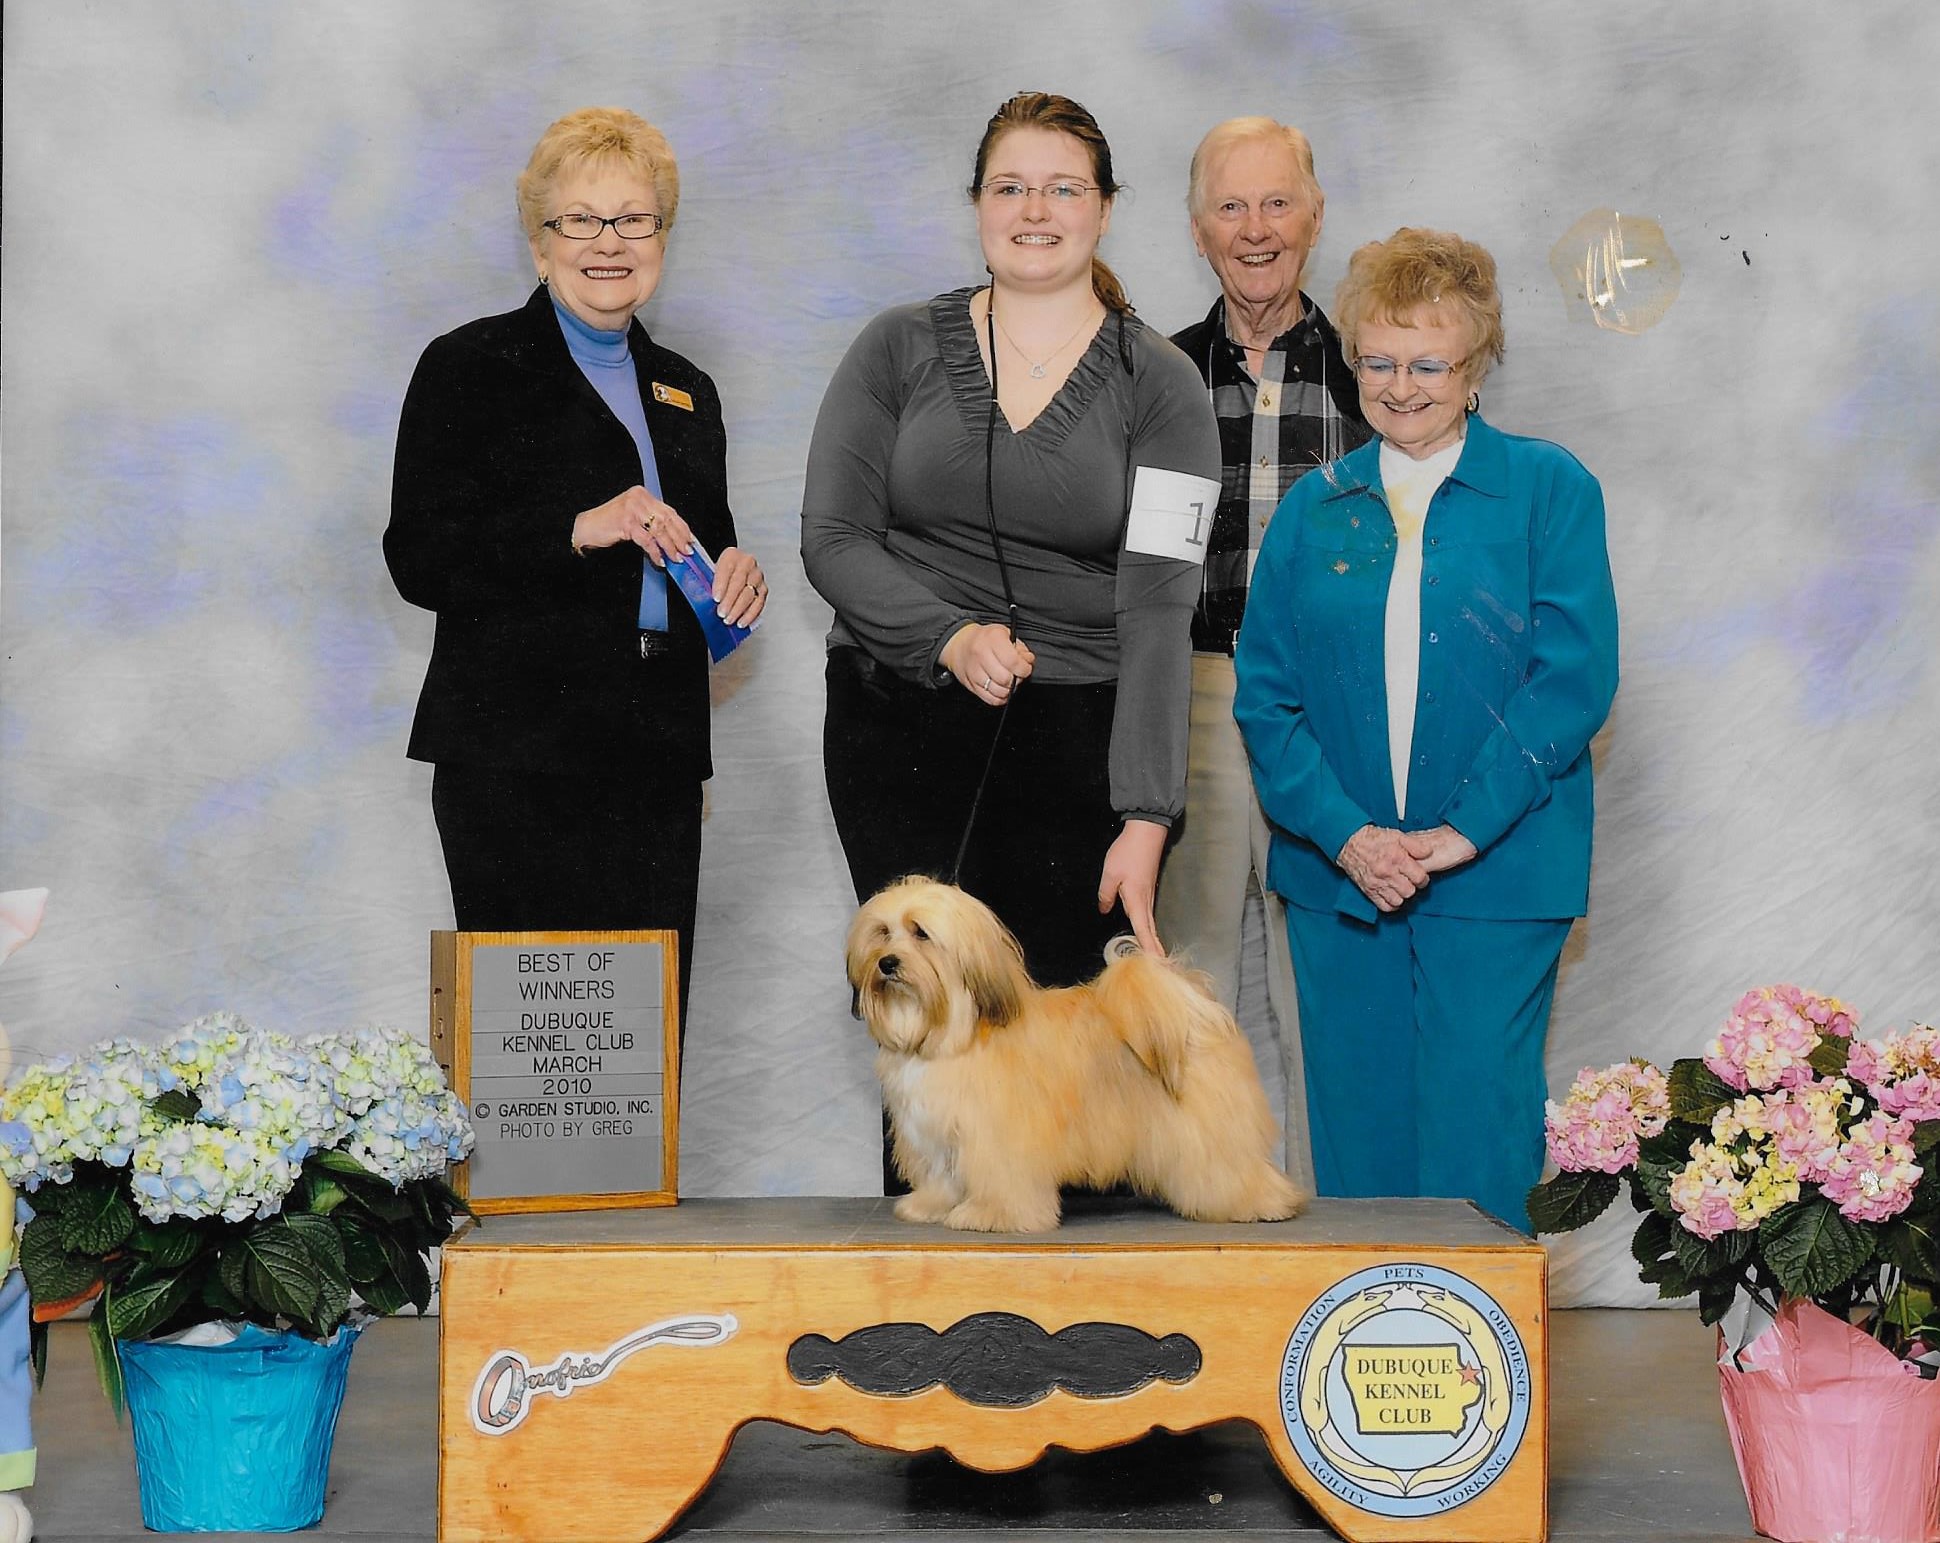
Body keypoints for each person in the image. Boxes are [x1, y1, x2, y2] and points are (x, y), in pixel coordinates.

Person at [802, 92, 1219, 1183]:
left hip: (1080, 739)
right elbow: (832, 538)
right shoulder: (894, 348)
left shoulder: (1160, 383)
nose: (1034, 209)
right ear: (977, 205)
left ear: (1106, 208)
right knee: (925, 1034)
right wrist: (944, 637)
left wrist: (1144, 812)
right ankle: (924, 1300)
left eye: (1062, 186)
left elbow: (1160, 601)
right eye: (1008, 186)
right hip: (898, 723)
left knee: (1071, 1060)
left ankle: (1071, 1333)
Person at [1233, 227, 1618, 1228]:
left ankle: (1472, 1374)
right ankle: (1367, 1371)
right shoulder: (1311, 509)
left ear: (1476, 365)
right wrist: (1346, 834)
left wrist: (1461, 830)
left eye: (1427, 362)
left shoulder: (1550, 490)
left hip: (1498, 870)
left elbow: (1569, 680)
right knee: (1357, 1140)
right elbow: (1263, 696)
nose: (1400, 385)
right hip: (1338, 876)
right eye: (1377, 360)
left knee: (1474, 1131)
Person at [384, 107, 766, 1031]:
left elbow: (696, 549)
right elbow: (418, 555)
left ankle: (633, 1191)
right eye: (580, 220)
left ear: (662, 238)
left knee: (639, 1050)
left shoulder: (688, 389)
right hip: (514, 758)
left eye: (635, 219)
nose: (609, 242)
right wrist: (575, 529)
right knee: (531, 1048)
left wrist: (737, 574)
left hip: (656, 756)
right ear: (538, 239)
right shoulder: (468, 365)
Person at [1158, 117, 1372, 1193]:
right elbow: (1135, 564)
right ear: (1198, 230)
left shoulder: (1370, 375)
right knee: (1189, 976)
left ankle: (1340, 1214)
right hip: (1191, 690)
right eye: (1231, 207)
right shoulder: (1152, 373)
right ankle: (1202, 1206)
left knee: (1322, 971)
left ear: (1314, 215)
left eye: (1276, 203)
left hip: (1327, 708)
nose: (1255, 229)